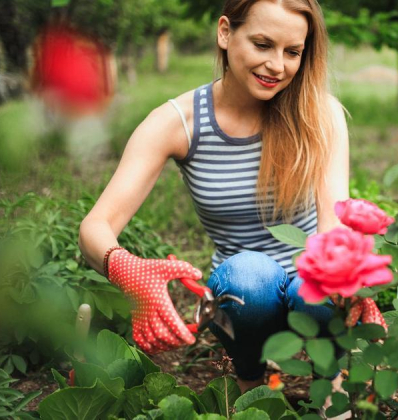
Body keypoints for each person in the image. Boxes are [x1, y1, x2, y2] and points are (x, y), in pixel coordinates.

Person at [78, 0, 349, 395]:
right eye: (262, 44)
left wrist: (346, 282)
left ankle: (332, 390)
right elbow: (95, 226)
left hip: (309, 285)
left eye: (292, 52)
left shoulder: (320, 112)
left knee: (319, 281)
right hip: (242, 296)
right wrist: (125, 268)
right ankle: (251, 388)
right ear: (225, 33)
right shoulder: (178, 122)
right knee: (251, 277)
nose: (277, 65)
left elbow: (333, 226)